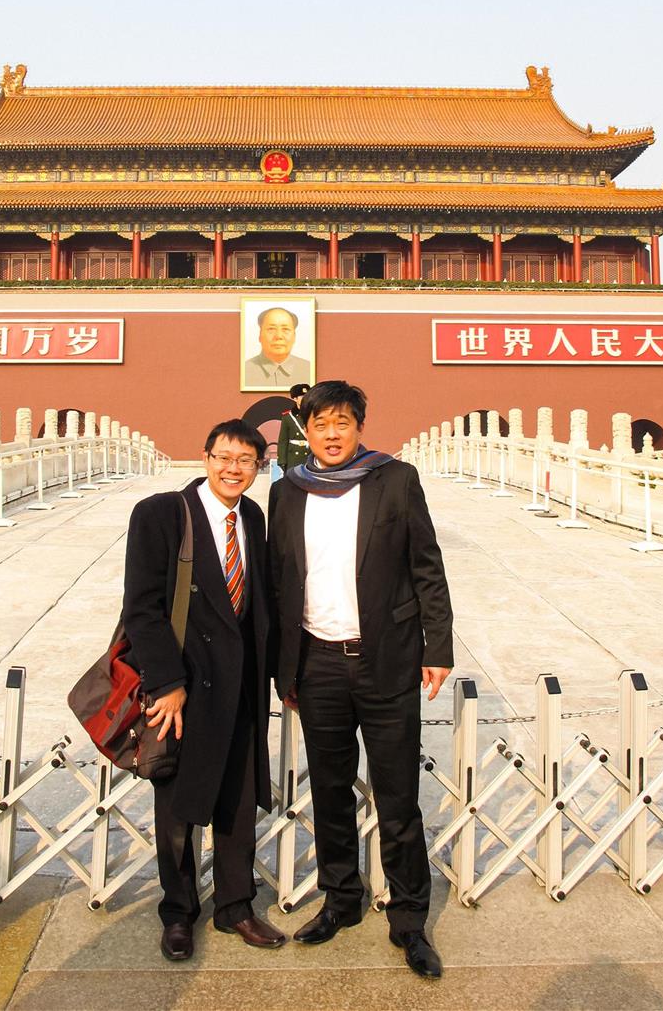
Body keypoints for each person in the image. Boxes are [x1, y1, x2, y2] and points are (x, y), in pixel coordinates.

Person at [267, 381, 454, 979]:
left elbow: (427, 565)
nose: (330, 434)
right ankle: (341, 900)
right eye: (319, 424)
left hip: (387, 660)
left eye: (342, 423)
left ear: (359, 426)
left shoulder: (394, 480)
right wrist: (284, 664)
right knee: (329, 792)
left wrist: (438, 644)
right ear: (306, 431)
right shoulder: (288, 492)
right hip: (318, 663)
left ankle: (409, 921)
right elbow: (278, 582)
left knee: (398, 796)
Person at [122, 419, 286, 961]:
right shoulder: (162, 514)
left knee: (238, 801)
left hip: (241, 684)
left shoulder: (253, 517)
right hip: (186, 687)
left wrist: (282, 676)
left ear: (258, 467)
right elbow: (142, 607)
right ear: (205, 456)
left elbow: (262, 603)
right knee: (178, 805)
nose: (233, 469)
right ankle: (178, 912)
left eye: (246, 461)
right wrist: (166, 683)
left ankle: (236, 905)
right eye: (224, 457)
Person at [244, 306, 312, 389]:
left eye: (285, 329)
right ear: (260, 335)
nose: (279, 336)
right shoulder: (244, 370)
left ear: (294, 336)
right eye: (271, 329)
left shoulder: (309, 369)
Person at [276, 382, 311, 472]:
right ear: (295, 398)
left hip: (310, 455)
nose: (305, 399)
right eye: (302, 396)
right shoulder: (288, 417)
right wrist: (282, 461)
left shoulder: (313, 415)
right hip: (294, 458)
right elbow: (283, 440)